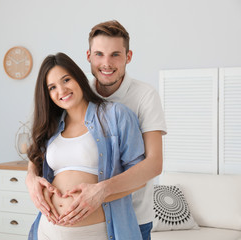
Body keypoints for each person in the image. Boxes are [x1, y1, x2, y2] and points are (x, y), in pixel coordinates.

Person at [26, 20, 167, 240]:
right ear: (89, 57)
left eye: (115, 55)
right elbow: (38, 154)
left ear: (128, 57)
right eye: (99, 54)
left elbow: (153, 164)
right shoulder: (69, 103)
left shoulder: (137, 100)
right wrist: (30, 179)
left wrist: (101, 192)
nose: (106, 63)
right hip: (49, 229)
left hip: (128, 217)